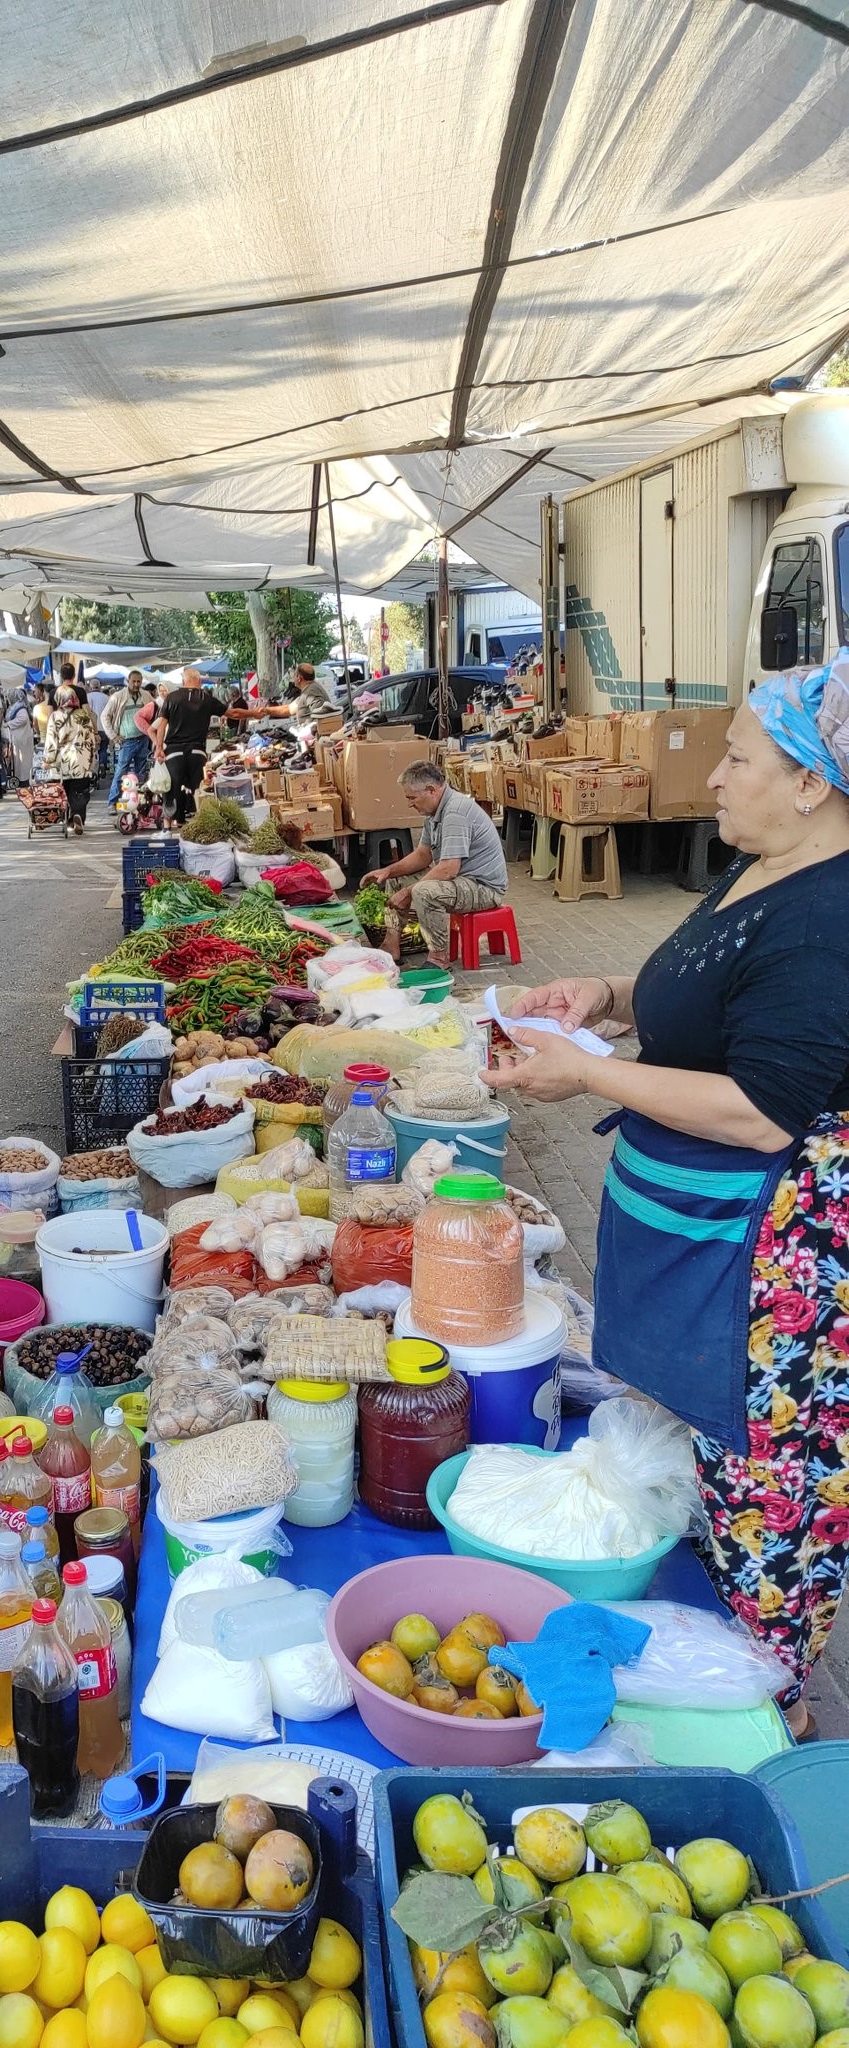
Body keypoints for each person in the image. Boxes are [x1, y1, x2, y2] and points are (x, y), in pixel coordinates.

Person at [488, 657, 849, 1738]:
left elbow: (761, 1107)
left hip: (771, 1286)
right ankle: (674, 1686)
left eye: (739, 757)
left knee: (758, 1525)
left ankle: (755, 1739)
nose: (716, 776)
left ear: (810, 781)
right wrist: (600, 996)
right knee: (686, 1494)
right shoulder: (756, 867)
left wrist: (583, 1071)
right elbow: (702, 999)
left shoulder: (829, 913)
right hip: (697, 1252)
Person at [361, 760, 508, 967]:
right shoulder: (435, 812)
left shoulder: (455, 812)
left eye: (412, 798)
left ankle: (439, 957)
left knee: (423, 891)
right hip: (460, 880)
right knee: (397, 879)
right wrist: (388, 871)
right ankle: (391, 945)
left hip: (483, 888)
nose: (410, 803)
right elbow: (423, 855)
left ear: (431, 790)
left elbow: (448, 869)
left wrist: (409, 892)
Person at [152, 666, 218, 825]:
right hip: (197, 751)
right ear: (199, 682)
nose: (162, 693)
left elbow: (159, 727)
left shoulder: (171, 699)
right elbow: (231, 713)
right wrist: (256, 713)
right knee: (198, 788)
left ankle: (168, 827)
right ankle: (200, 824)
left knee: (171, 788)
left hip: (173, 752)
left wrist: (159, 747)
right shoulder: (205, 699)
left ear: (182, 682)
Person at [42, 684, 99, 835]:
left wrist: (48, 759)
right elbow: (92, 739)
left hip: (64, 762)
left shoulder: (55, 716)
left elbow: (51, 741)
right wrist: (91, 758)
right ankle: (78, 815)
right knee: (80, 790)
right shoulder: (84, 715)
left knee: (65, 791)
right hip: (82, 759)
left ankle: (68, 819)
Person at [105, 671, 154, 807]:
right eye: (134, 681)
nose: (136, 684)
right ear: (128, 681)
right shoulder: (118, 697)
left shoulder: (146, 696)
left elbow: (155, 712)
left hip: (143, 739)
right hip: (126, 741)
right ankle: (112, 802)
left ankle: (139, 803)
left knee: (141, 773)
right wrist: (114, 736)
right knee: (121, 772)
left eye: (139, 681)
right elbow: (105, 716)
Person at [5, 689, 36, 787]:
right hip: (19, 737)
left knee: (23, 761)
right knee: (19, 760)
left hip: (23, 738)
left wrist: (9, 724)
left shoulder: (20, 708)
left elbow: (23, 719)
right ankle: (19, 779)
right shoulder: (15, 707)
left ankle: (24, 780)